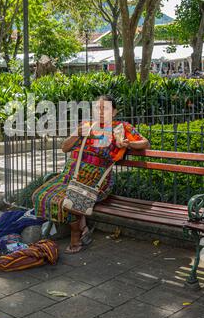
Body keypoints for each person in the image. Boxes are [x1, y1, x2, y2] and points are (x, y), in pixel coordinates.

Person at [32, 95, 150, 254]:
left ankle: (76, 235)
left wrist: (129, 143)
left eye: (105, 108)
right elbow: (65, 148)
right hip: (69, 176)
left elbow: (144, 142)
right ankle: (83, 227)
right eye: (97, 108)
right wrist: (78, 133)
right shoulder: (86, 125)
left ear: (114, 112)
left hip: (96, 181)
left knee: (68, 200)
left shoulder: (121, 127)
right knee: (41, 195)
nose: (101, 112)